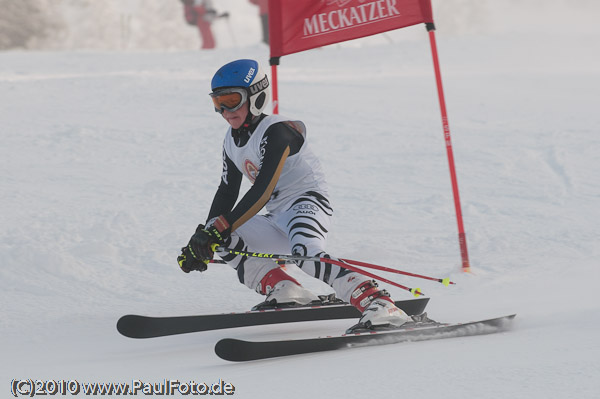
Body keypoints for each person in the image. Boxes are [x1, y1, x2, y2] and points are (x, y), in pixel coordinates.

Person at [177, 59, 411, 329]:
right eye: (218, 103)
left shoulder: (279, 131)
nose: (226, 111)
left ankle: (378, 303)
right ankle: (286, 289)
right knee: (224, 237)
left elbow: (262, 191)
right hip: (276, 216)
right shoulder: (231, 139)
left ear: (255, 95)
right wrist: (204, 238)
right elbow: (226, 191)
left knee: (305, 252)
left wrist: (218, 227)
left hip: (307, 204)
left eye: (232, 99)